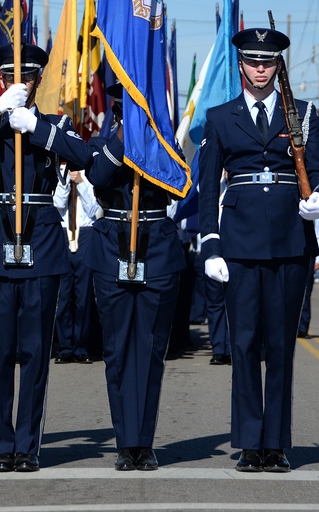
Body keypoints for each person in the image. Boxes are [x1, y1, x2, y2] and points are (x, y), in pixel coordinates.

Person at [0, 43, 91, 474]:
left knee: (34, 352)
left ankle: (27, 445)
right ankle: (0, 445)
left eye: (27, 76)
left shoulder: (55, 124)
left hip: (42, 243)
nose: (19, 83)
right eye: (10, 76)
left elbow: (84, 158)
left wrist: (38, 130)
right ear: (3, 79)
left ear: (38, 79)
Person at [199, 26, 319, 473]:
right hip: (238, 241)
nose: (260, 68)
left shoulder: (304, 114)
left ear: (278, 66)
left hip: (291, 240)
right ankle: (249, 443)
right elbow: (206, 186)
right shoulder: (219, 118)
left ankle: (275, 443)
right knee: (245, 342)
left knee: (280, 345)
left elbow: (318, 170)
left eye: (268, 61)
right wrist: (210, 243)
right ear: (241, 64)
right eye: (253, 61)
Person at [86, 83, 186, 472]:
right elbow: (99, 177)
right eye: (125, 107)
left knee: (149, 351)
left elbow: (179, 185)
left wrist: (153, 139)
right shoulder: (101, 141)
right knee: (117, 351)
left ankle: (144, 442)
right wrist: (127, 135)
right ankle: (124, 442)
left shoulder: (165, 141)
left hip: (157, 250)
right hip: (113, 247)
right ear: (116, 109)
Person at [53, 169, 101, 364]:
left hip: (86, 233)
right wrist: (65, 182)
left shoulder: (91, 175)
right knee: (63, 295)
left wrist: (81, 182)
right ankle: (64, 347)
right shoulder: (59, 173)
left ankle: (81, 347)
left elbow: (94, 210)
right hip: (64, 233)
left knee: (84, 295)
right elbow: (56, 204)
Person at [298, 219, 319, 339]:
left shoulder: (313, 205)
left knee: (305, 292)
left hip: (308, 253)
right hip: (289, 251)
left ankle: (303, 328)